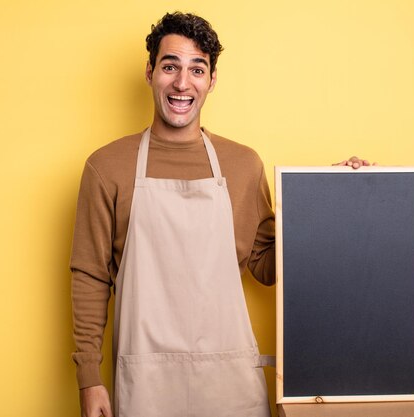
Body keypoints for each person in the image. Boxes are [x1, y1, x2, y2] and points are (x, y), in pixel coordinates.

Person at [70, 12, 372, 417]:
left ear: (211, 80)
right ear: (150, 72)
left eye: (197, 69)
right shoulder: (107, 166)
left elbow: (266, 266)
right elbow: (89, 276)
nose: (182, 82)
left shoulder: (243, 164)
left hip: (229, 384)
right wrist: (90, 378)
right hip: (146, 384)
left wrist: (324, 199)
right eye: (170, 66)